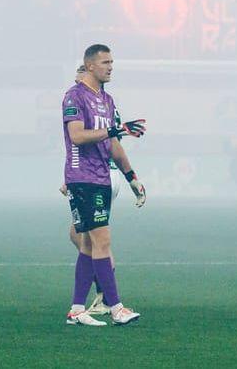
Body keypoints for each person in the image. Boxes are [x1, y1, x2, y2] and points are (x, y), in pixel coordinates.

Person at [61, 45, 146, 327]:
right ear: (89, 66)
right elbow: (76, 136)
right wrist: (113, 130)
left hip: (100, 177)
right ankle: (115, 307)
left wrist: (131, 176)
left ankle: (76, 308)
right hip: (83, 177)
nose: (111, 67)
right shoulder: (74, 96)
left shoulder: (107, 101)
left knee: (87, 242)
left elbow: (111, 143)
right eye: (105, 62)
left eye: (112, 62)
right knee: (101, 241)